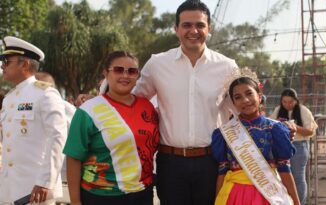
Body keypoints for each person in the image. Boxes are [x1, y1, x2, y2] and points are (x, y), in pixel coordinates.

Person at [133, 1, 238, 204]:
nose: (193, 31)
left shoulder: (227, 67)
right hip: (170, 163)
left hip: (213, 162)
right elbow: (134, 99)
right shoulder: (157, 64)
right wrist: (101, 101)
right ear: (176, 29)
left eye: (200, 25)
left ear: (209, 29)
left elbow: (244, 110)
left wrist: (277, 127)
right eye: (187, 25)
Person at [63, 51, 159, 205]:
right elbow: (73, 158)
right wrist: (75, 202)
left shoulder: (147, 107)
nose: (125, 76)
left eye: (132, 71)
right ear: (106, 73)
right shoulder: (88, 111)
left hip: (143, 193)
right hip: (100, 196)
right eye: (118, 70)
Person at [211, 76, 300, 205]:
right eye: (238, 97)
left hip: (269, 195)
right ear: (233, 103)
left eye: (249, 94)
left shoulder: (275, 129)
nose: (245, 100)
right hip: (235, 195)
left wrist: (296, 202)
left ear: (259, 96)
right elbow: (222, 171)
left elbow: (284, 169)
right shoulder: (224, 133)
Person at [0, 36, 68, 204]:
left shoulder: (45, 94)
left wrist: (46, 181)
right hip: (9, 188)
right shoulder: (9, 99)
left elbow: (58, 138)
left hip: (35, 190)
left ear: (25, 64)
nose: (2, 66)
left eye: (7, 61)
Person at [270, 88, 317, 205]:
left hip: (299, 146)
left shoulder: (303, 111)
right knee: (283, 177)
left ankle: (300, 202)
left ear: (296, 100)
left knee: (298, 177)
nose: (287, 105)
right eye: (284, 102)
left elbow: (310, 131)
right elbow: (270, 124)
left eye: (290, 102)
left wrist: (294, 126)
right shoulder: (278, 110)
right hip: (281, 146)